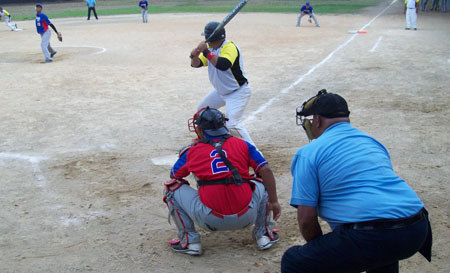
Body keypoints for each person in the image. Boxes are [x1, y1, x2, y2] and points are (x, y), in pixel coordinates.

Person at [281, 90, 432, 273]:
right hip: (417, 228)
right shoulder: (372, 142)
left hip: (372, 235)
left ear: (318, 120)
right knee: (382, 254)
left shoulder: (308, 153)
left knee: (293, 261)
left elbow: (306, 219)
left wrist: (323, 254)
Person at [163, 107, 281, 255]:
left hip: (209, 220)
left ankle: (190, 242)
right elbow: (266, 171)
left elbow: (174, 175)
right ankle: (263, 235)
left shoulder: (192, 151)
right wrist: (274, 201)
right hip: (247, 216)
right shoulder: (243, 144)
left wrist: (192, 160)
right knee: (262, 181)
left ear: (200, 130)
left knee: (170, 188)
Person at [189, 22, 256, 147]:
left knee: (232, 124)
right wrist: (194, 55)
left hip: (237, 92)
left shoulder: (229, 47)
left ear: (213, 38)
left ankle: (255, 153)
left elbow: (223, 64)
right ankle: (207, 142)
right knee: (201, 112)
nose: (206, 40)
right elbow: (196, 64)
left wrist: (206, 51)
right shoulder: (212, 50)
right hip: (220, 92)